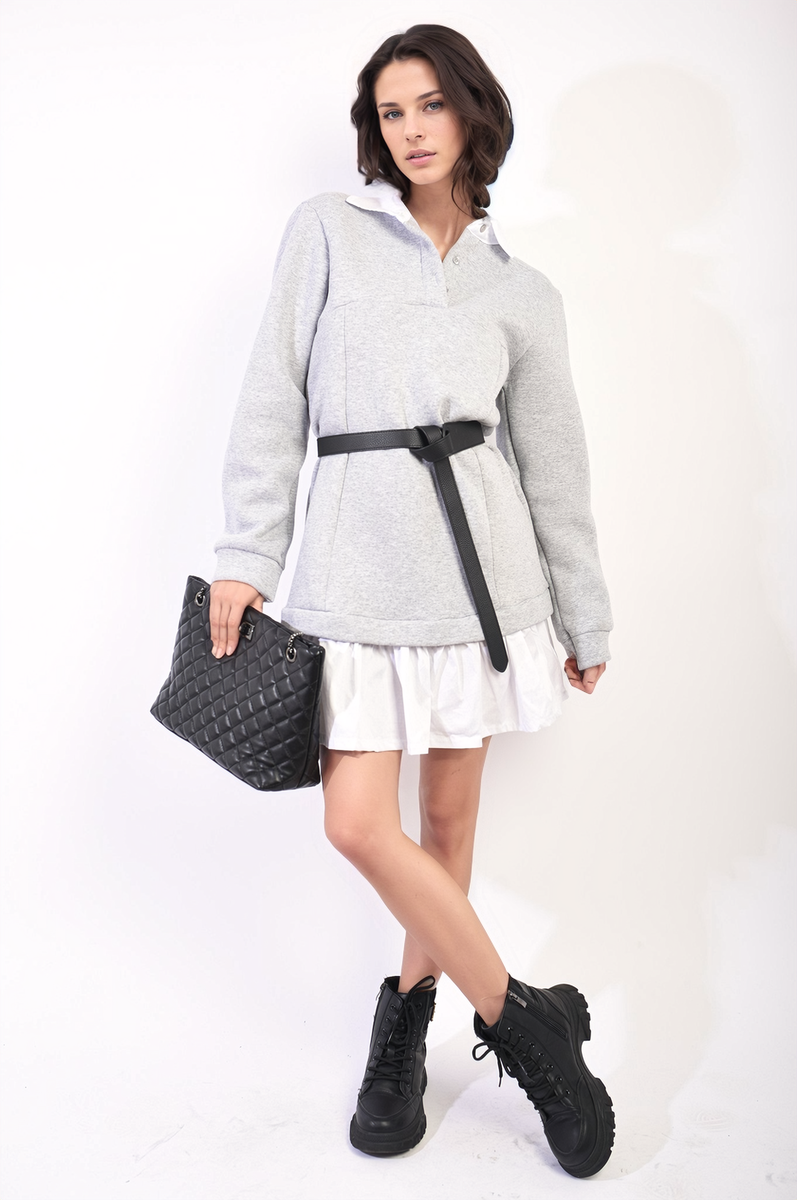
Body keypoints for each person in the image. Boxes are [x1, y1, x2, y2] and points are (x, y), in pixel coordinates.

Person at [208, 24, 614, 1179]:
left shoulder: (520, 290)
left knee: (445, 829)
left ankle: (404, 1035)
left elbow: (552, 465)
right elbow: (270, 398)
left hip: (481, 582)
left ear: (471, 111)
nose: (411, 129)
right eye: (390, 112)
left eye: (430, 104)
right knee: (355, 823)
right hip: (351, 579)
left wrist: (581, 611)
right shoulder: (327, 233)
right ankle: (525, 1024)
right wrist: (246, 551)